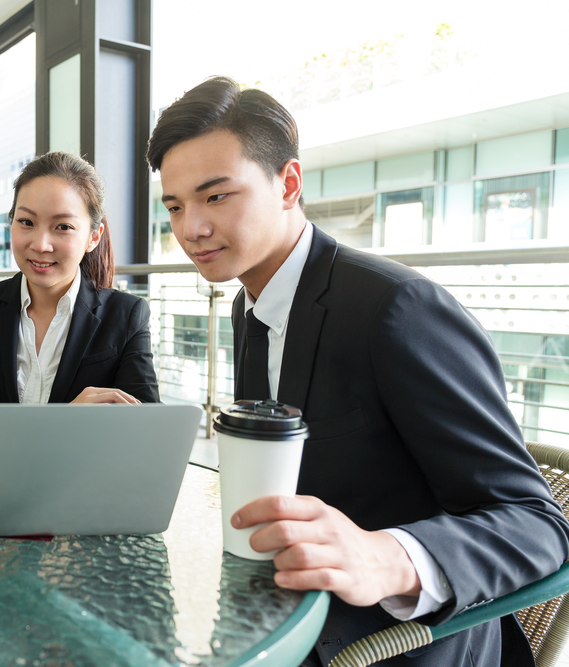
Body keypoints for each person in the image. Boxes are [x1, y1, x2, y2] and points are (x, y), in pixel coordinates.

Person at [146, 76, 569, 666]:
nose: (190, 227)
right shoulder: (251, 306)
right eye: (175, 205)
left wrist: (386, 557)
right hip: (287, 618)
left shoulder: (396, 308)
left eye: (216, 196)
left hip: (399, 646)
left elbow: (536, 522)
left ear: (288, 183)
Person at [0, 151, 159, 405]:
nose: (41, 244)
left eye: (63, 226)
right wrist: (65, 421)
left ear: (93, 237)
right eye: (26, 221)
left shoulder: (126, 315)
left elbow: (147, 428)